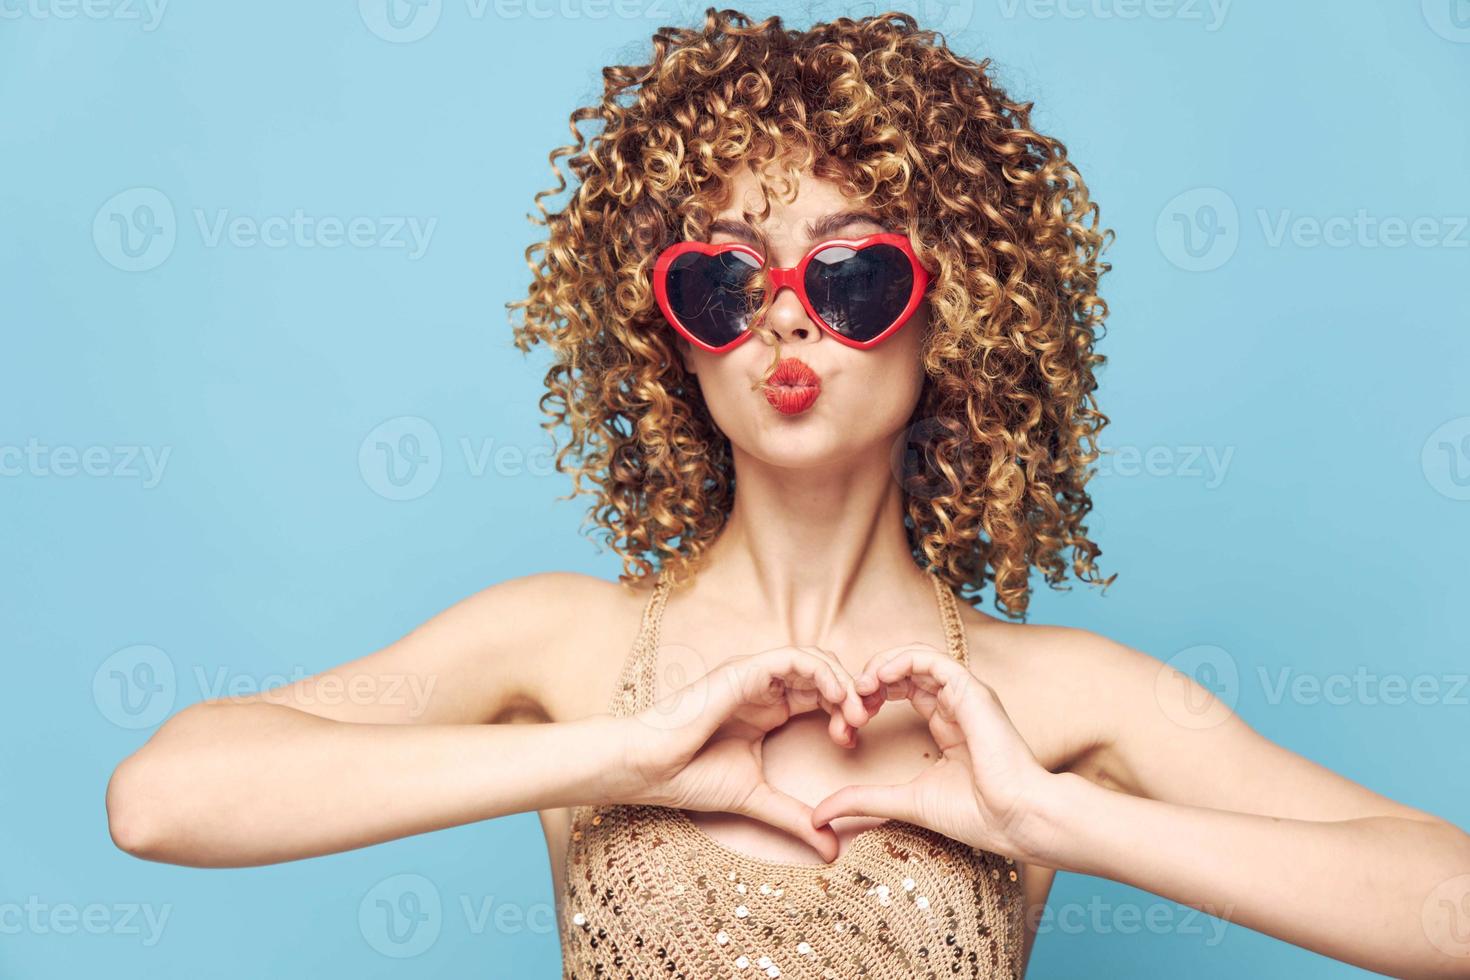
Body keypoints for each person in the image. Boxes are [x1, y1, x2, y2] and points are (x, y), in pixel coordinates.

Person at [105, 9, 1470, 979]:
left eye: (851, 274)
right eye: (722, 280)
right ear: (670, 334)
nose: (784, 327)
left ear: (957, 318)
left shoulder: (1058, 705)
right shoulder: (559, 648)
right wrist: (618, 757)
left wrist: (1049, 822)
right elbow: (163, 800)